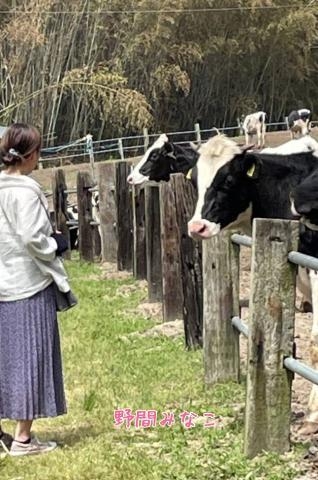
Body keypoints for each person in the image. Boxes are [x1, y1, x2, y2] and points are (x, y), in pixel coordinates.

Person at [0, 123, 71, 456]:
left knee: (6, 359)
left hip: (2, 284)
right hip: (28, 285)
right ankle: (24, 439)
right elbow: (31, 237)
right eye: (39, 151)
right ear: (29, 155)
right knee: (31, 356)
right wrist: (54, 245)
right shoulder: (25, 190)